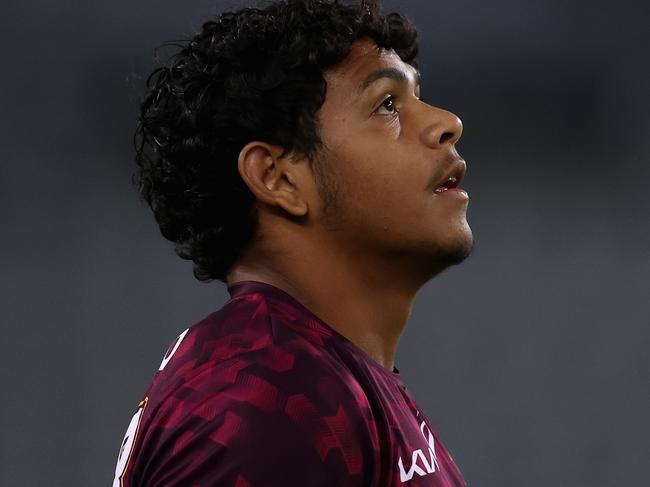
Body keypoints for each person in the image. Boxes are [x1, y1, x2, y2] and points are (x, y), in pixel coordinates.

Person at [113, 0, 471, 485]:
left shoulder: (316, 371)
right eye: (387, 105)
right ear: (277, 177)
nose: (447, 121)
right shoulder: (268, 391)